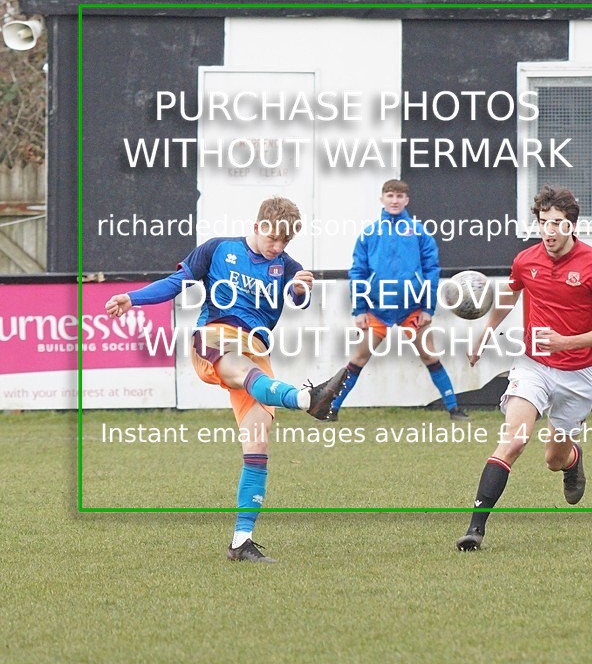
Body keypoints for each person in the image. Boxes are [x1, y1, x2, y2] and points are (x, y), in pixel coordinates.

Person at [105, 197, 345, 563]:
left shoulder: (288, 266)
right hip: (215, 338)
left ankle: (241, 542)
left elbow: (300, 301)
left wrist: (299, 289)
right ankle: (303, 399)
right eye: (274, 238)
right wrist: (133, 299)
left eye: (285, 242)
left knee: (258, 444)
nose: (278, 247)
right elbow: (176, 283)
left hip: (256, 350)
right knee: (236, 366)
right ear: (259, 224)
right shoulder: (218, 249)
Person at [456, 185, 592, 551]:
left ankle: (572, 460)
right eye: (544, 223)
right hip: (534, 365)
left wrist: (566, 342)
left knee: (553, 459)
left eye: (557, 223)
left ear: (572, 226)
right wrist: (485, 332)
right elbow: (508, 298)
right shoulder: (526, 260)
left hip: (578, 374)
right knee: (514, 438)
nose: (549, 231)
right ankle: (474, 530)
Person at [322, 179, 467, 422]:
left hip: (413, 310)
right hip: (378, 311)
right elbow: (358, 271)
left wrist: (428, 308)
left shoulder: (419, 232)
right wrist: (359, 309)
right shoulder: (369, 234)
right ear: (382, 199)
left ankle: (454, 409)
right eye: (390, 195)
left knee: (430, 356)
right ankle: (331, 408)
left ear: (406, 200)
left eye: (399, 196)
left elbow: (432, 270)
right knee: (358, 358)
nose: (395, 200)